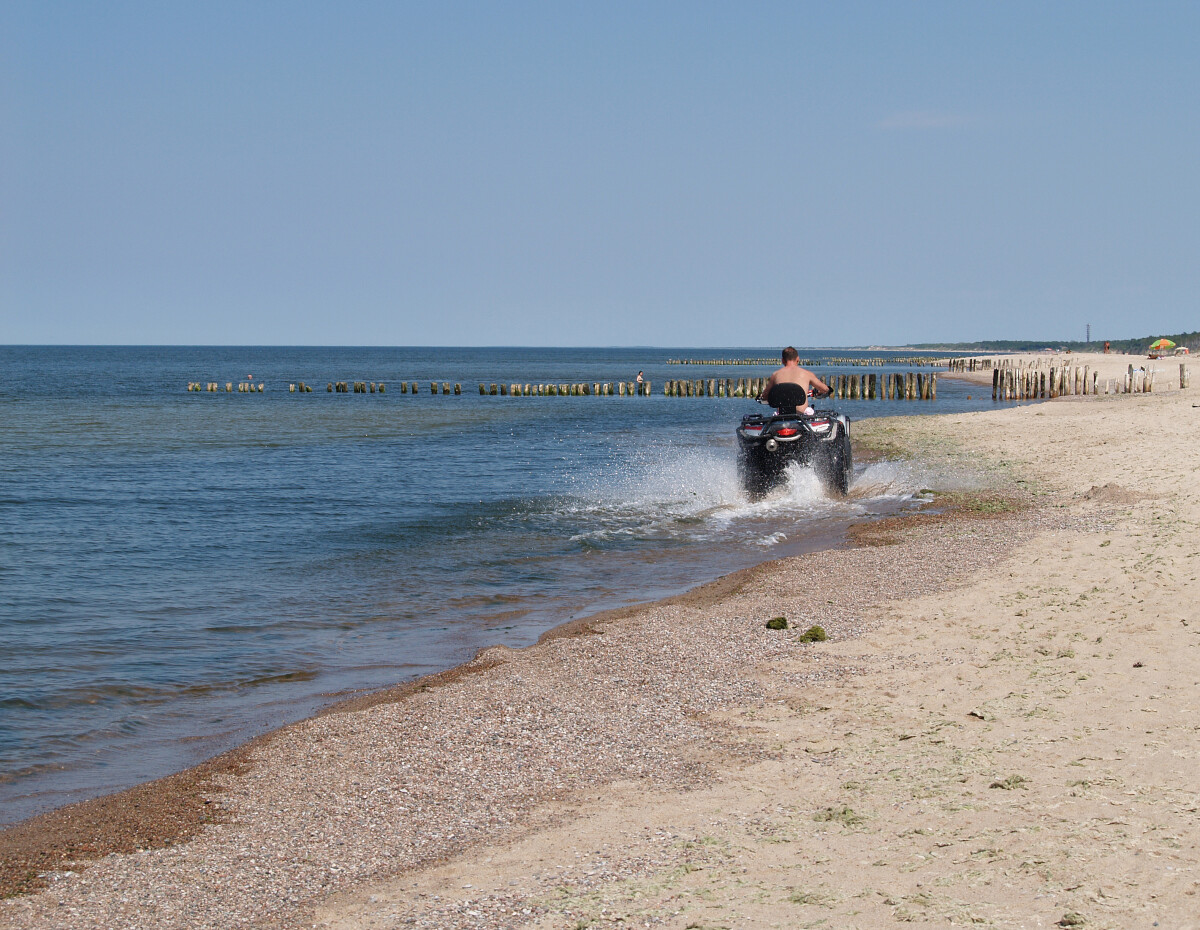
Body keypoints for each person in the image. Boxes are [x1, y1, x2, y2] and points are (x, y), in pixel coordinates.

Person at [758, 347, 830, 414]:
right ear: (798, 359)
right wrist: (819, 392)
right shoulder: (807, 374)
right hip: (802, 415)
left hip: (782, 416)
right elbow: (825, 389)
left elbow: (764, 396)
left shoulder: (775, 375)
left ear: (783, 360)